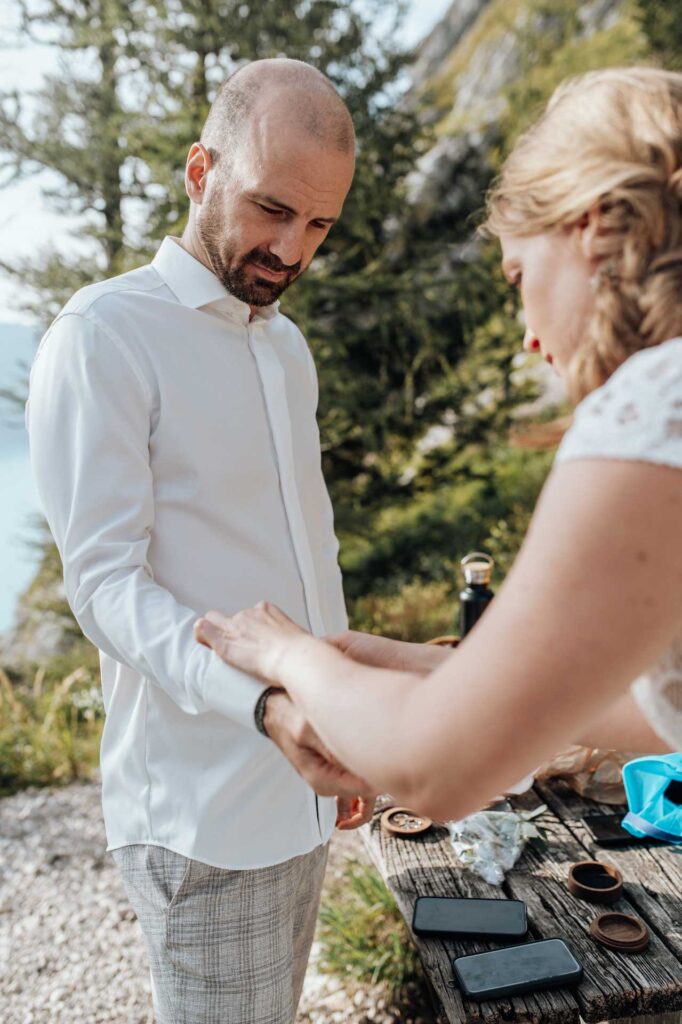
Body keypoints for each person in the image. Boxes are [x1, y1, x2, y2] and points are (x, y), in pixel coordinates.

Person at [194, 66, 682, 826]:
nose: (526, 331)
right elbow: (642, 708)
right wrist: (408, 660)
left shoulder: (659, 407)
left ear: (594, 225)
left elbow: (435, 769)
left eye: (520, 274)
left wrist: (288, 656)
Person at [26, 58, 374, 1024]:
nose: (290, 248)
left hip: (303, 780)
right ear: (198, 170)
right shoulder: (103, 334)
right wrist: (266, 705)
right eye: (271, 209)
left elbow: (310, 545)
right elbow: (103, 588)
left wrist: (338, 704)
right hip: (203, 808)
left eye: (319, 225)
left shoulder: (285, 346)